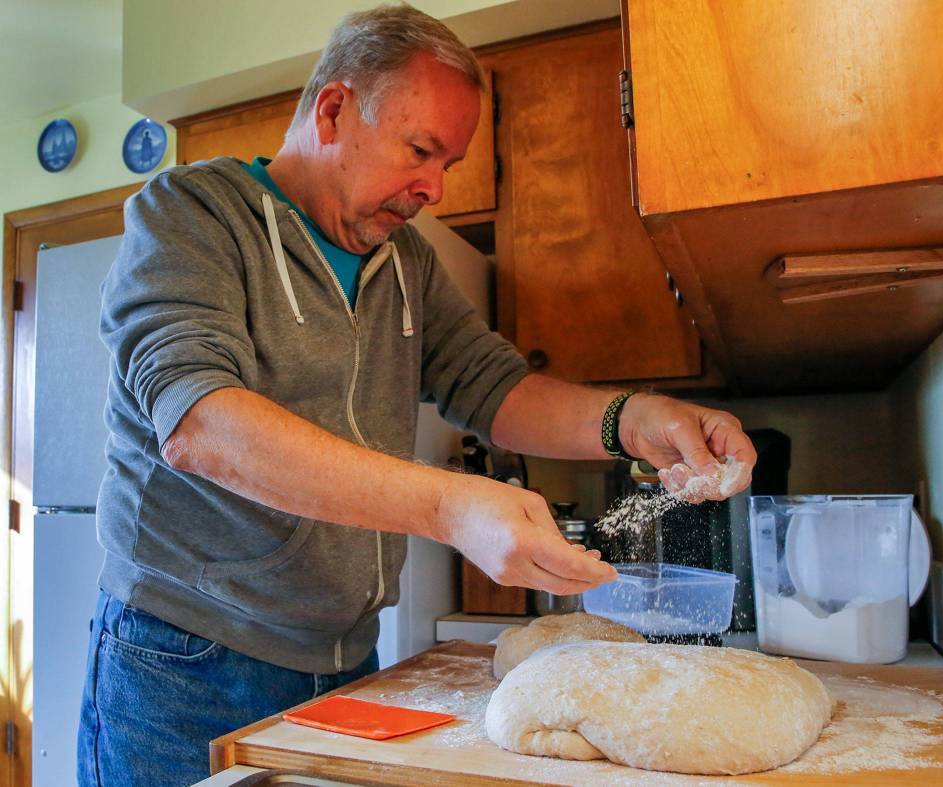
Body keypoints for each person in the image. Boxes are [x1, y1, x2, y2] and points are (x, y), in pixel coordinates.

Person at [77, 4, 756, 785]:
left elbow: (494, 385)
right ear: (334, 110)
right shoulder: (190, 216)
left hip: (348, 659)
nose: (432, 186)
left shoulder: (406, 263)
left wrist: (634, 418)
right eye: (421, 149)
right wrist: (452, 506)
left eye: (448, 164)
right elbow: (200, 424)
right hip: (184, 662)